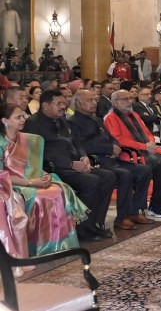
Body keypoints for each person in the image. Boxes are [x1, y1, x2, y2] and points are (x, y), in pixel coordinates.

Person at [24, 89, 116, 242]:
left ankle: (95, 223)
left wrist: (84, 157)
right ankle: (82, 229)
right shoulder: (33, 124)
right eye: (58, 103)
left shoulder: (62, 119)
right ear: (45, 105)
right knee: (92, 181)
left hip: (74, 164)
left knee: (108, 176)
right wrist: (71, 164)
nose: (63, 106)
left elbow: (76, 142)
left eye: (64, 103)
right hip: (54, 168)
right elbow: (39, 153)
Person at [1, 103, 87, 254]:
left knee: (58, 190)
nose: (23, 119)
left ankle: (61, 243)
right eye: (18, 117)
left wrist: (43, 174)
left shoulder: (28, 139)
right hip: (11, 184)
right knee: (38, 198)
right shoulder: (2, 142)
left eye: (23, 116)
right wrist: (30, 182)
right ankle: (37, 246)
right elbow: (2, 175)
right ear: (4, 121)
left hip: (32, 179)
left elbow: (32, 165)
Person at [68, 90, 153, 231]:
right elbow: (82, 145)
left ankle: (135, 211)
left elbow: (111, 137)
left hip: (112, 158)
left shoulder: (96, 119)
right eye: (89, 100)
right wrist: (109, 149)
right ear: (78, 103)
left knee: (143, 170)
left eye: (95, 100)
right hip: (97, 161)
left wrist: (115, 146)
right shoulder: (73, 122)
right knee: (125, 174)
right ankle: (122, 217)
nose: (94, 103)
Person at [103, 89, 161, 219]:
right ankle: (156, 204)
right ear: (115, 102)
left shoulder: (134, 114)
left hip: (147, 149)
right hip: (130, 153)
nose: (129, 101)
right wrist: (144, 146)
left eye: (130, 98)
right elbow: (118, 140)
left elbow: (147, 132)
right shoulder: (110, 117)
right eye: (125, 99)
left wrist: (151, 142)